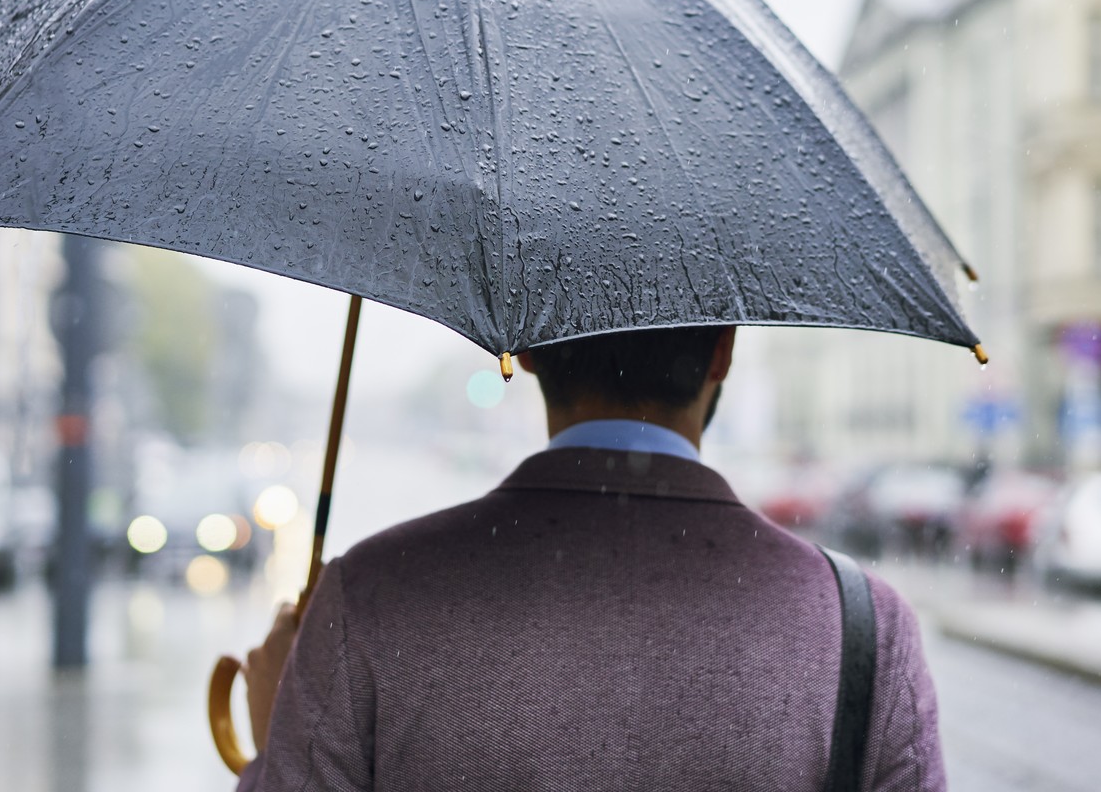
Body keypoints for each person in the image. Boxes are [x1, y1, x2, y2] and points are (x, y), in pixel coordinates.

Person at [236, 325, 945, 791]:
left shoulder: (371, 595)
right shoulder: (866, 631)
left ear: (533, 348)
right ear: (722, 353)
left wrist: (280, 742)